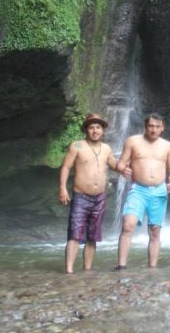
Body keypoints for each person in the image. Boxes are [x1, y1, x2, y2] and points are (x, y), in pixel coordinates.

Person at [115, 113, 170, 269]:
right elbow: (120, 164)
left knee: (155, 231)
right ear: (145, 126)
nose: (153, 130)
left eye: (157, 127)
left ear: (162, 128)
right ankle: (121, 266)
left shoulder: (167, 146)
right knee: (128, 225)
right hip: (138, 189)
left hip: (159, 190)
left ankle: (152, 267)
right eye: (151, 126)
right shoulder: (132, 141)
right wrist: (124, 170)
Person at [58, 113, 119, 273]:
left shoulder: (106, 148)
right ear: (86, 130)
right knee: (74, 234)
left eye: (98, 127)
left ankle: (87, 270)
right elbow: (65, 167)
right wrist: (63, 188)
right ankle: (69, 271)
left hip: (99, 198)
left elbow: (114, 164)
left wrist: (127, 166)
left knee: (93, 236)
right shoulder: (77, 146)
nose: (95, 130)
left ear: (103, 130)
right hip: (80, 197)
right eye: (91, 127)